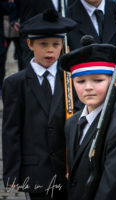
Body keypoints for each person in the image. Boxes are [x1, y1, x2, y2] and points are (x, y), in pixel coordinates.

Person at [2, 9, 77, 200]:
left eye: (55, 44)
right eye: (43, 44)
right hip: (34, 169)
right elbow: (11, 130)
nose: (50, 50)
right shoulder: (15, 83)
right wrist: (11, 173)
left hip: (66, 169)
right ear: (29, 44)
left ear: (63, 45)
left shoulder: (70, 80)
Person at [60, 39, 116, 200]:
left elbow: (113, 187)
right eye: (80, 81)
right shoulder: (72, 123)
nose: (88, 87)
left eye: (97, 80)